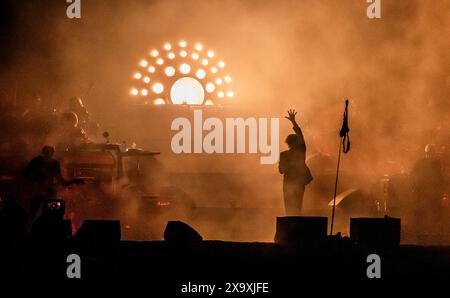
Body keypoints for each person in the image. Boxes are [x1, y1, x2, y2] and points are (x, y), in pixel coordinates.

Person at [279, 109, 313, 215]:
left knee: (290, 207)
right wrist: (293, 122)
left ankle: (292, 224)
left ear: (287, 143)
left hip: (291, 182)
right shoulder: (299, 151)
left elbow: (281, 170)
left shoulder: (285, 154)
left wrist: (293, 122)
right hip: (294, 182)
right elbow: (281, 170)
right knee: (296, 206)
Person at [411, 144, 444, 230]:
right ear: (425, 153)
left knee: (435, 212)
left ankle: (434, 229)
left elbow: (440, 178)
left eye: (431, 153)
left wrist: (439, 190)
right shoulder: (419, 163)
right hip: (422, 192)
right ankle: (420, 229)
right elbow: (413, 176)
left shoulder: (437, 164)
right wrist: (415, 187)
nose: (429, 155)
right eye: (428, 153)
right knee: (422, 211)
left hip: (433, 193)